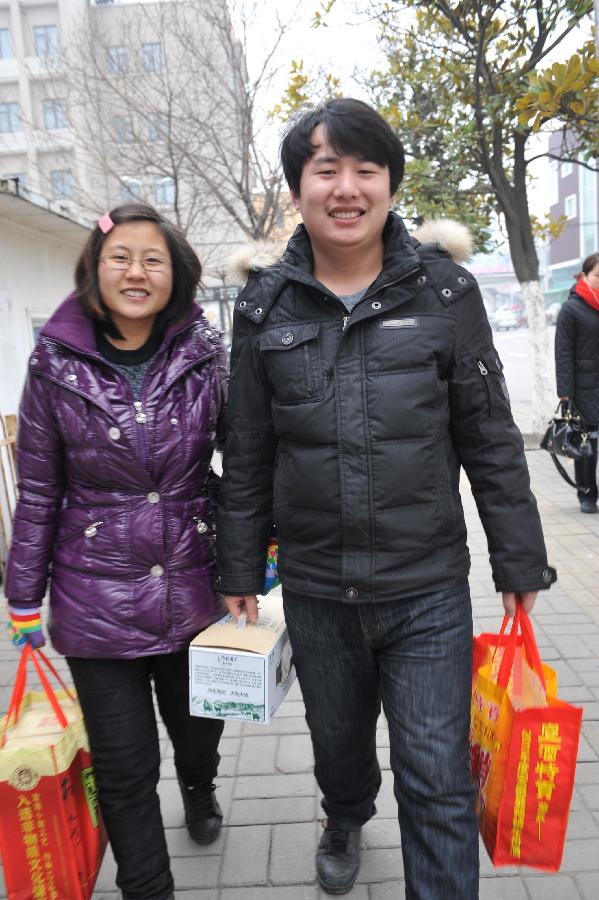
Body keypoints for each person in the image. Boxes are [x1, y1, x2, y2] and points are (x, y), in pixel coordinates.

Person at [215, 97, 556, 899]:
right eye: (324, 168)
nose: (346, 187)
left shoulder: (445, 295)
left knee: (435, 779)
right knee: (337, 749)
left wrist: (519, 560)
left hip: (426, 588)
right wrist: (235, 566)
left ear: (390, 185)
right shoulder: (263, 307)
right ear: (297, 188)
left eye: (365, 168)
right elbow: (249, 451)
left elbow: (489, 437)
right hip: (314, 588)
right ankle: (342, 814)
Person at [5, 202, 227, 900]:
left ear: (176, 275)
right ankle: (147, 888)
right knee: (125, 770)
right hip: (95, 599)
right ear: (94, 271)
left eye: (152, 259)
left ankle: (198, 783)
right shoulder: (52, 364)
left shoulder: (206, 354)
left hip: (195, 590)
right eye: (120, 257)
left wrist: (258, 557)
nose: (136, 271)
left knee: (197, 736)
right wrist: (21, 598)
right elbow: (38, 489)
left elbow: (248, 464)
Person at [555, 252, 599, 514]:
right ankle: (586, 493)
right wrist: (565, 392)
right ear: (584, 275)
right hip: (584, 388)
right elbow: (563, 352)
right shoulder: (572, 308)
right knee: (587, 444)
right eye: (597, 276)